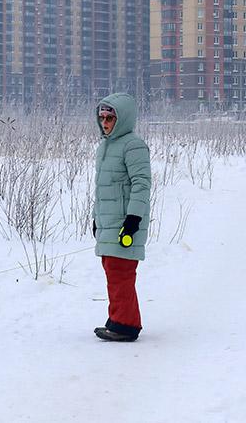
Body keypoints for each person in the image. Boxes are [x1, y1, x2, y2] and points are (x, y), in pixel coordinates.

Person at [91, 92, 151, 342]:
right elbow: (102, 189)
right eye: (102, 117)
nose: (105, 122)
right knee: (112, 270)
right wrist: (96, 218)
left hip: (125, 222)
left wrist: (133, 219)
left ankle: (125, 324)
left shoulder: (133, 145)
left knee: (121, 272)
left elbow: (141, 184)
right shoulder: (105, 147)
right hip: (109, 222)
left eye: (110, 118)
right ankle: (120, 318)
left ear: (122, 119)